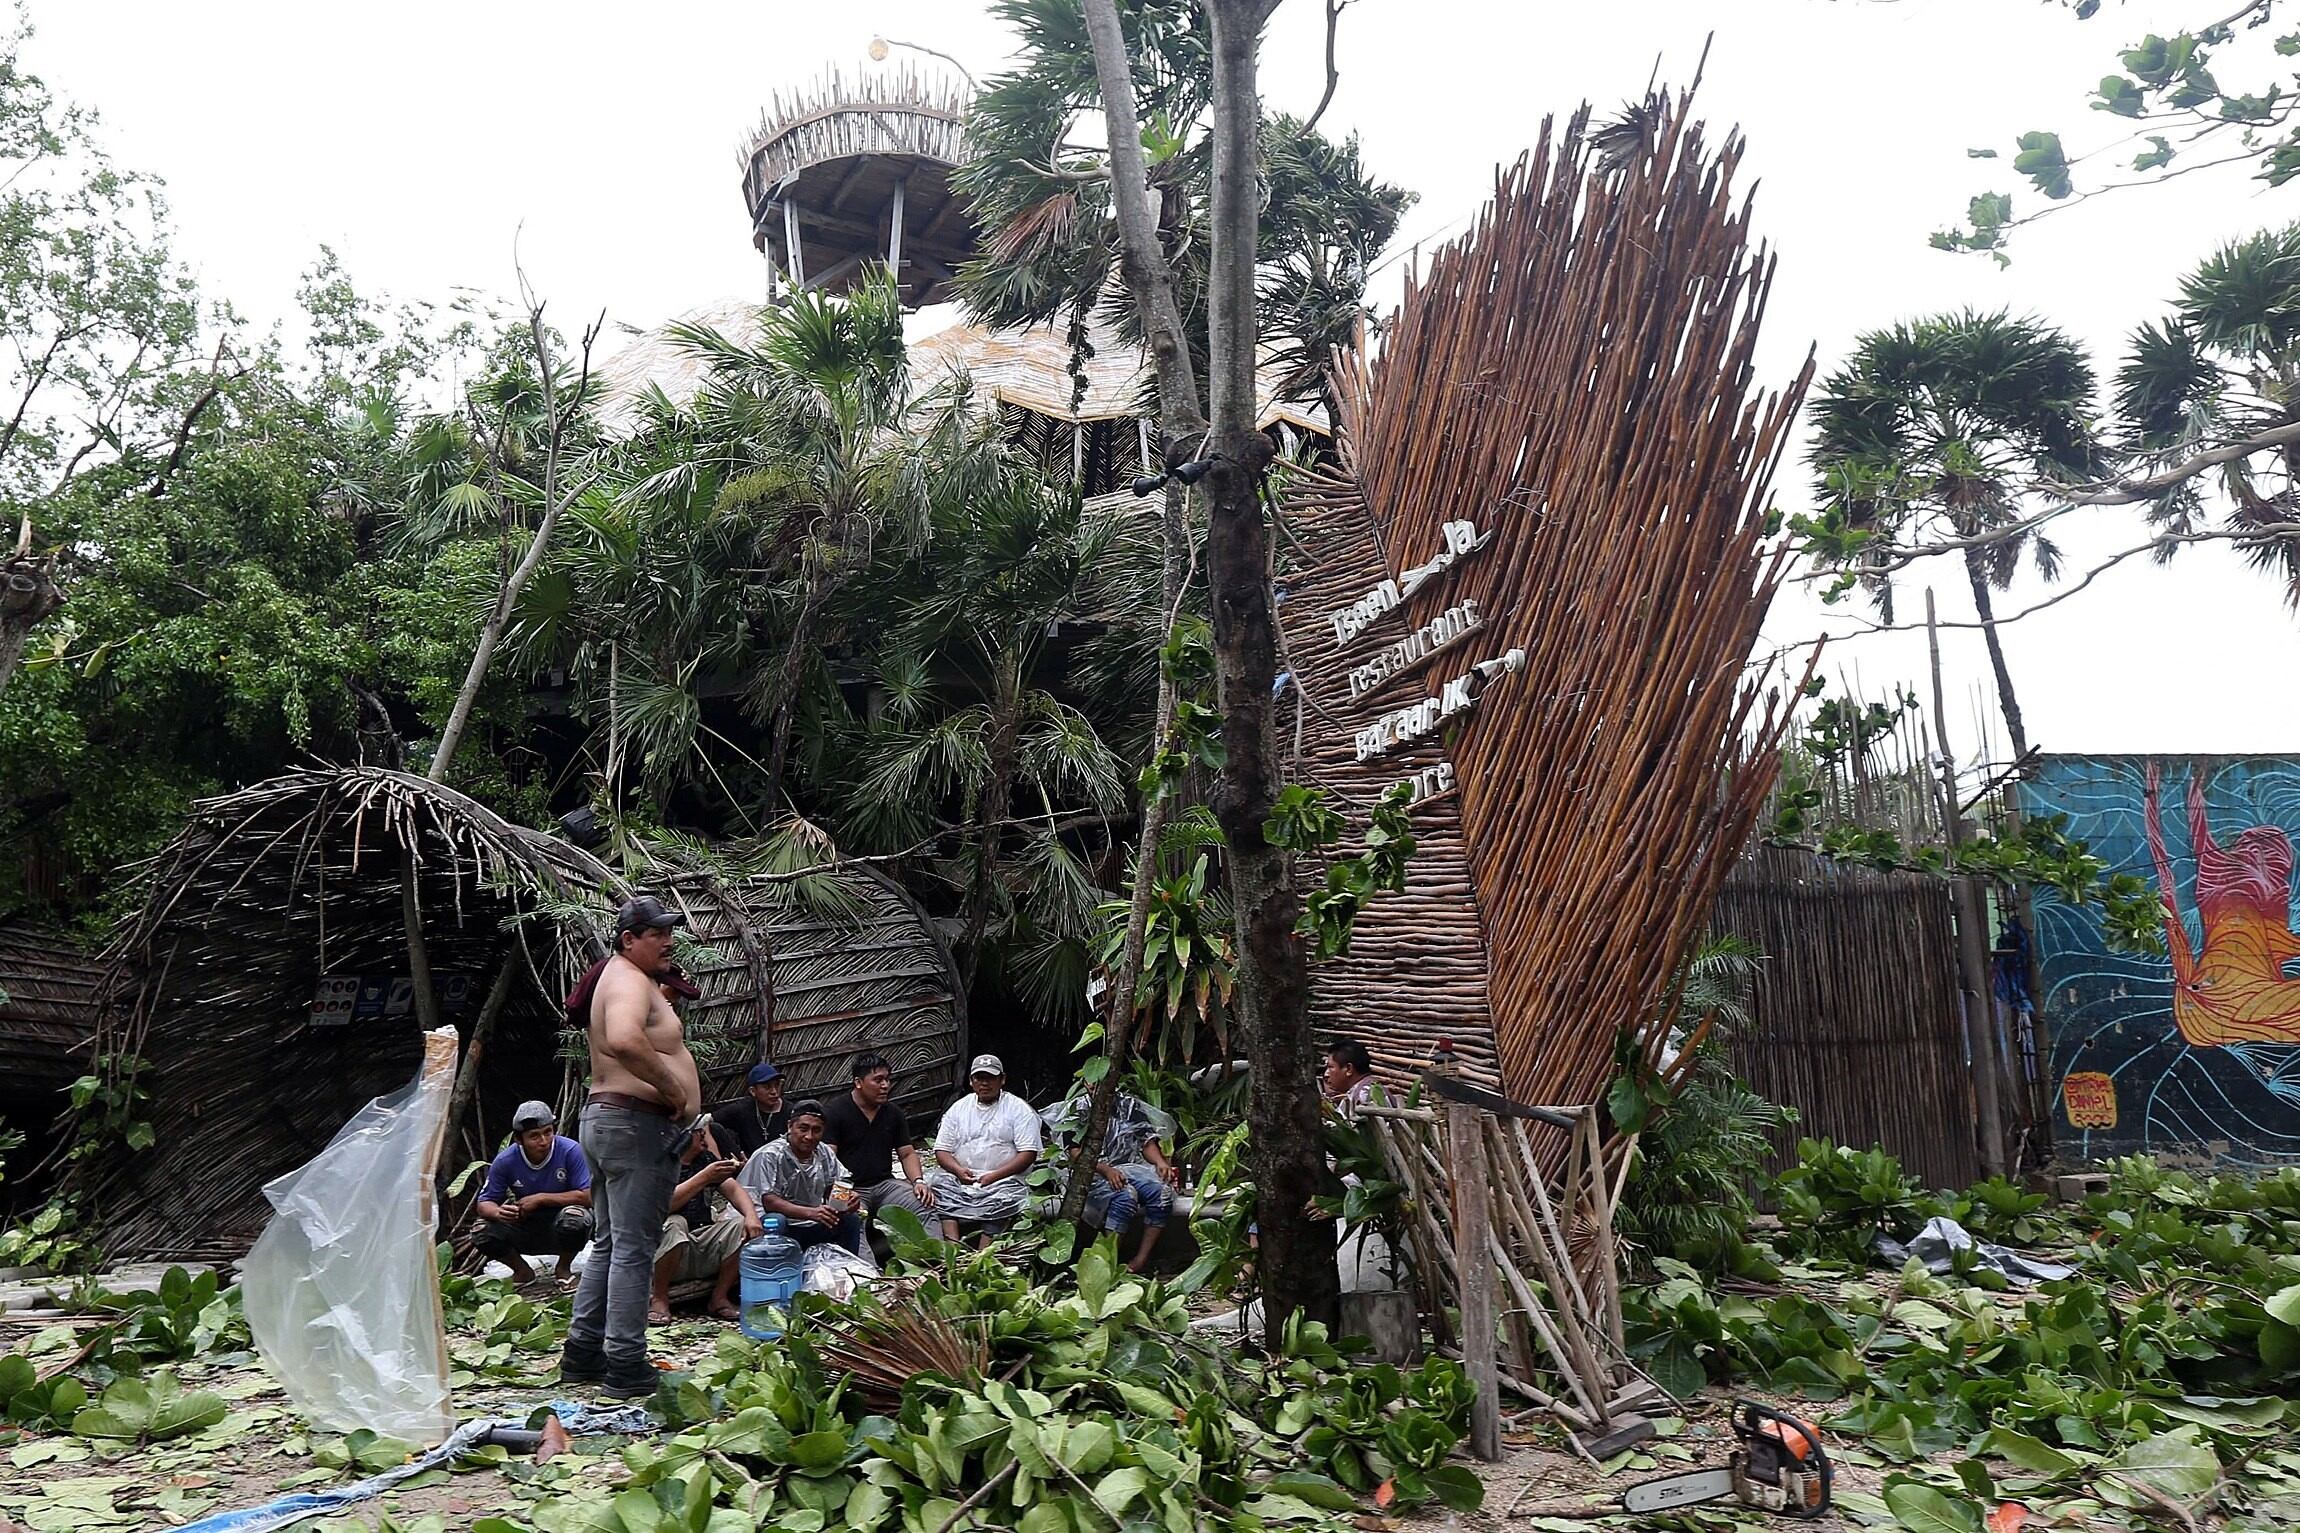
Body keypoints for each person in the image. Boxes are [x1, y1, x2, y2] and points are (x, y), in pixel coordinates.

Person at [561, 894, 701, 1396]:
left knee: (610, 1242)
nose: (668, 941)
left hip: (611, 1120)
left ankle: (582, 1352)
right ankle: (624, 1361)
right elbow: (623, 1038)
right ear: (629, 940)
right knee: (634, 1247)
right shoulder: (625, 978)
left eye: (670, 931)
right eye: (658, 934)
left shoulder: (624, 977)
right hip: (632, 1124)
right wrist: (672, 1090)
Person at [1044, 1092, 1180, 1273]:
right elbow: (1075, 1153)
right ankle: (1108, 1262)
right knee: (1125, 1196)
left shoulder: (1128, 1105)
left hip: (1127, 1168)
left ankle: (1141, 1259)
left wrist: (1160, 1162)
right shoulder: (1077, 1109)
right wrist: (1106, 1170)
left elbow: (1146, 1141)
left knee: (1161, 1192)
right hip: (1090, 1173)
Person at [821, 1051, 943, 1240]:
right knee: (851, 1220)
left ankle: (935, 1261)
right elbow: (828, 1159)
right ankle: (868, 1269)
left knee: (924, 1204)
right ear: (858, 1082)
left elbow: (907, 1153)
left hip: (885, 1184)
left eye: (887, 1079)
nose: (885, 1085)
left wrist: (918, 1181)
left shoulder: (893, 1113)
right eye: (878, 1080)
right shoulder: (836, 1112)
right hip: (850, 1188)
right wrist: (843, 1192)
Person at [470, 1101, 594, 1286]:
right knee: (482, 1231)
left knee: (575, 1218)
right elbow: (485, 1202)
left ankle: (563, 1269)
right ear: (519, 1140)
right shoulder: (506, 1161)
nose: (543, 1141)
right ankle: (522, 1272)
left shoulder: (570, 1151)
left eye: (548, 1132)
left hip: (562, 1224)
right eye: (534, 1136)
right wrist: (499, 1212)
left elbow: (588, 1196)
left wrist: (541, 1199)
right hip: (526, 1225)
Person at [650, 1124, 762, 1323]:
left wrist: (751, 1215)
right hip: (664, 1248)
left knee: (741, 1225)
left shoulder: (705, 1160)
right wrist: (704, 1177)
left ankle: (719, 1297)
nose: (704, 1136)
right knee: (675, 1223)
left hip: (701, 1242)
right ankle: (659, 1298)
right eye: (697, 1132)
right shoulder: (659, 1162)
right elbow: (664, 1205)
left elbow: (734, 1190)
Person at [927, 1055, 1042, 1242]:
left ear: (1002, 1079)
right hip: (963, 1177)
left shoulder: (1019, 1109)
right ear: (971, 1081)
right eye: (979, 1078)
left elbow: (1028, 1153)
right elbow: (941, 1150)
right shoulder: (958, 1109)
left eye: (990, 1078)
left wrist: (994, 1176)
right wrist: (958, 1170)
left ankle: (983, 1253)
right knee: (939, 1188)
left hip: (1004, 1179)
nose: (984, 1083)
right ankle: (952, 1249)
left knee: (1004, 1200)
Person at [739, 1099, 868, 1256]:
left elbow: (834, 1186)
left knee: (850, 1220)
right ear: (789, 1126)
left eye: (816, 1130)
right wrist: (810, 1213)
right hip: (778, 1223)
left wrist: (849, 1199)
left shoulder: (823, 1152)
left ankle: (845, 1268)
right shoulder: (770, 1155)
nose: (809, 1136)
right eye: (803, 1129)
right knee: (775, 1220)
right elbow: (769, 1201)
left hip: (811, 1221)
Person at [709, 1062, 790, 1160]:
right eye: (767, 1087)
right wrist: (716, 1158)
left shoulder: (791, 1112)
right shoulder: (742, 1109)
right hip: (749, 1168)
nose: (774, 1091)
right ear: (753, 1091)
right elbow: (704, 1122)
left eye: (777, 1085)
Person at [1322, 1038, 1383, 1112]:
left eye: (1330, 1067)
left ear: (1349, 1069)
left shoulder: (1364, 1095)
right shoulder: (1372, 1088)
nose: (1326, 1074)